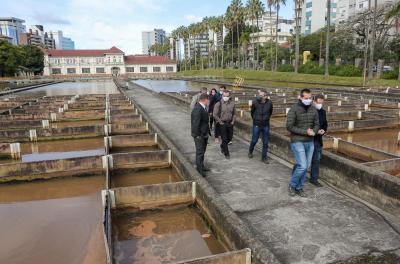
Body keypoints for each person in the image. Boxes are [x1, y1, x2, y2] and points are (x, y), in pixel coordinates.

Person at [286, 89, 319, 197]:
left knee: (306, 166)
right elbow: (289, 126)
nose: (308, 100)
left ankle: (299, 187)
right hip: (297, 140)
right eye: (306, 98)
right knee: (303, 166)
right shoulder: (294, 109)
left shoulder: (313, 109)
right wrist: (306, 132)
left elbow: (317, 123)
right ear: (300, 97)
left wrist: (314, 131)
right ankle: (292, 185)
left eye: (310, 98)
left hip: (310, 141)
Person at [248, 90, 273, 164]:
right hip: (257, 124)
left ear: (265, 96)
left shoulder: (269, 103)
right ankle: (250, 151)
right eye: (259, 95)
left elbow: (270, 112)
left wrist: (266, 118)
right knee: (254, 140)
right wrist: (256, 119)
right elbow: (252, 112)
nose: (260, 96)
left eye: (262, 95)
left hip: (266, 124)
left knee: (265, 142)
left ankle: (264, 157)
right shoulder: (255, 102)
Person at [310, 94, 328, 187]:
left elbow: (325, 124)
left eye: (322, 101)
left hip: (318, 139)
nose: (320, 103)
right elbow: (307, 125)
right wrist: (316, 131)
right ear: (314, 101)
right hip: (308, 139)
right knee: (303, 160)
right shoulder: (309, 110)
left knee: (316, 160)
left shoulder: (323, 112)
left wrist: (323, 130)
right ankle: (296, 177)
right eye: (318, 101)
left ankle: (314, 179)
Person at [191, 93, 210, 177]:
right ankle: (199, 169)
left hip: (204, 133)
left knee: (202, 151)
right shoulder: (198, 109)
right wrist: (197, 135)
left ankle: (201, 166)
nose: (208, 101)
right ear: (205, 100)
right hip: (199, 135)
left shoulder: (203, 107)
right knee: (200, 152)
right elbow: (195, 123)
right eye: (208, 100)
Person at [213, 90, 235, 159]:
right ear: (222, 96)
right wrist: (220, 121)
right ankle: (226, 153)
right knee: (224, 139)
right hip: (222, 123)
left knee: (230, 138)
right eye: (224, 96)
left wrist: (233, 121)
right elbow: (215, 114)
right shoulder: (218, 104)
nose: (226, 97)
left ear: (229, 96)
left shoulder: (232, 103)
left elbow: (234, 113)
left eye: (227, 96)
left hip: (230, 123)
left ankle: (222, 146)